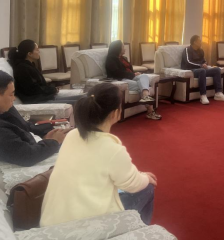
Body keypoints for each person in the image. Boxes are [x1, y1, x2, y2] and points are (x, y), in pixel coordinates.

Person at [41, 83, 158, 227]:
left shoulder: (72, 135)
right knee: (147, 188)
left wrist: (138, 176)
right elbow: (133, 184)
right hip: (87, 227)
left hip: (52, 223)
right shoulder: (112, 149)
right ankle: (136, 231)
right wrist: (145, 178)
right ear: (115, 113)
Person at [0, 70, 68, 167]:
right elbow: (28, 156)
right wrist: (54, 141)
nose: (14, 98)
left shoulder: (2, 108)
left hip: (34, 147)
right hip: (20, 165)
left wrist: (47, 134)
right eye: (11, 94)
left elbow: (24, 126)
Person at [8, 40, 83, 105]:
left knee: (83, 98)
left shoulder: (29, 65)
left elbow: (39, 85)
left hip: (45, 97)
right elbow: (33, 90)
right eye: (37, 50)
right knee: (81, 103)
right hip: (38, 101)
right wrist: (52, 89)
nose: (39, 52)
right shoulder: (22, 68)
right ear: (29, 54)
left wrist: (52, 89)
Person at [105, 40, 161, 121]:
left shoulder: (123, 58)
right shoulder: (111, 59)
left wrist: (134, 73)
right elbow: (117, 73)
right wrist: (133, 75)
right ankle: (150, 111)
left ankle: (145, 96)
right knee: (143, 85)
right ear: (118, 48)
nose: (125, 48)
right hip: (121, 80)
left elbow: (129, 69)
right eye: (123, 47)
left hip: (130, 77)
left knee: (144, 76)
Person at [181, 35, 224, 105]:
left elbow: (204, 61)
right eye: (199, 41)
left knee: (216, 70)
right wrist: (200, 65)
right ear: (194, 42)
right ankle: (203, 95)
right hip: (191, 70)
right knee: (202, 70)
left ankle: (218, 93)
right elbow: (188, 62)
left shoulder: (201, 50)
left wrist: (205, 64)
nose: (201, 42)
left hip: (201, 69)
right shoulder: (187, 50)